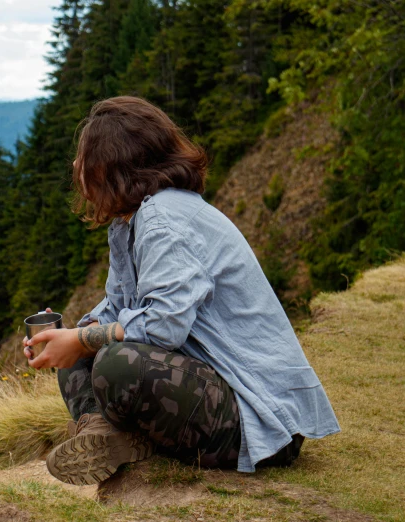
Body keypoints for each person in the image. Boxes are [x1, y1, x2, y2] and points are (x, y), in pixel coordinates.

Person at [21, 96, 340, 486]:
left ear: (113, 164)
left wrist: (83, 338)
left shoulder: (163, 219)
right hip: (214, 386)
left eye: (84, 157)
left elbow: (161, 328)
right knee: (76, 356)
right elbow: (119, 308)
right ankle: (107, 437)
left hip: (260, 418)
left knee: (114, 364)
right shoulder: (130, 224)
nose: (75, 167)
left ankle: (121, 437)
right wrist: (69, 334)